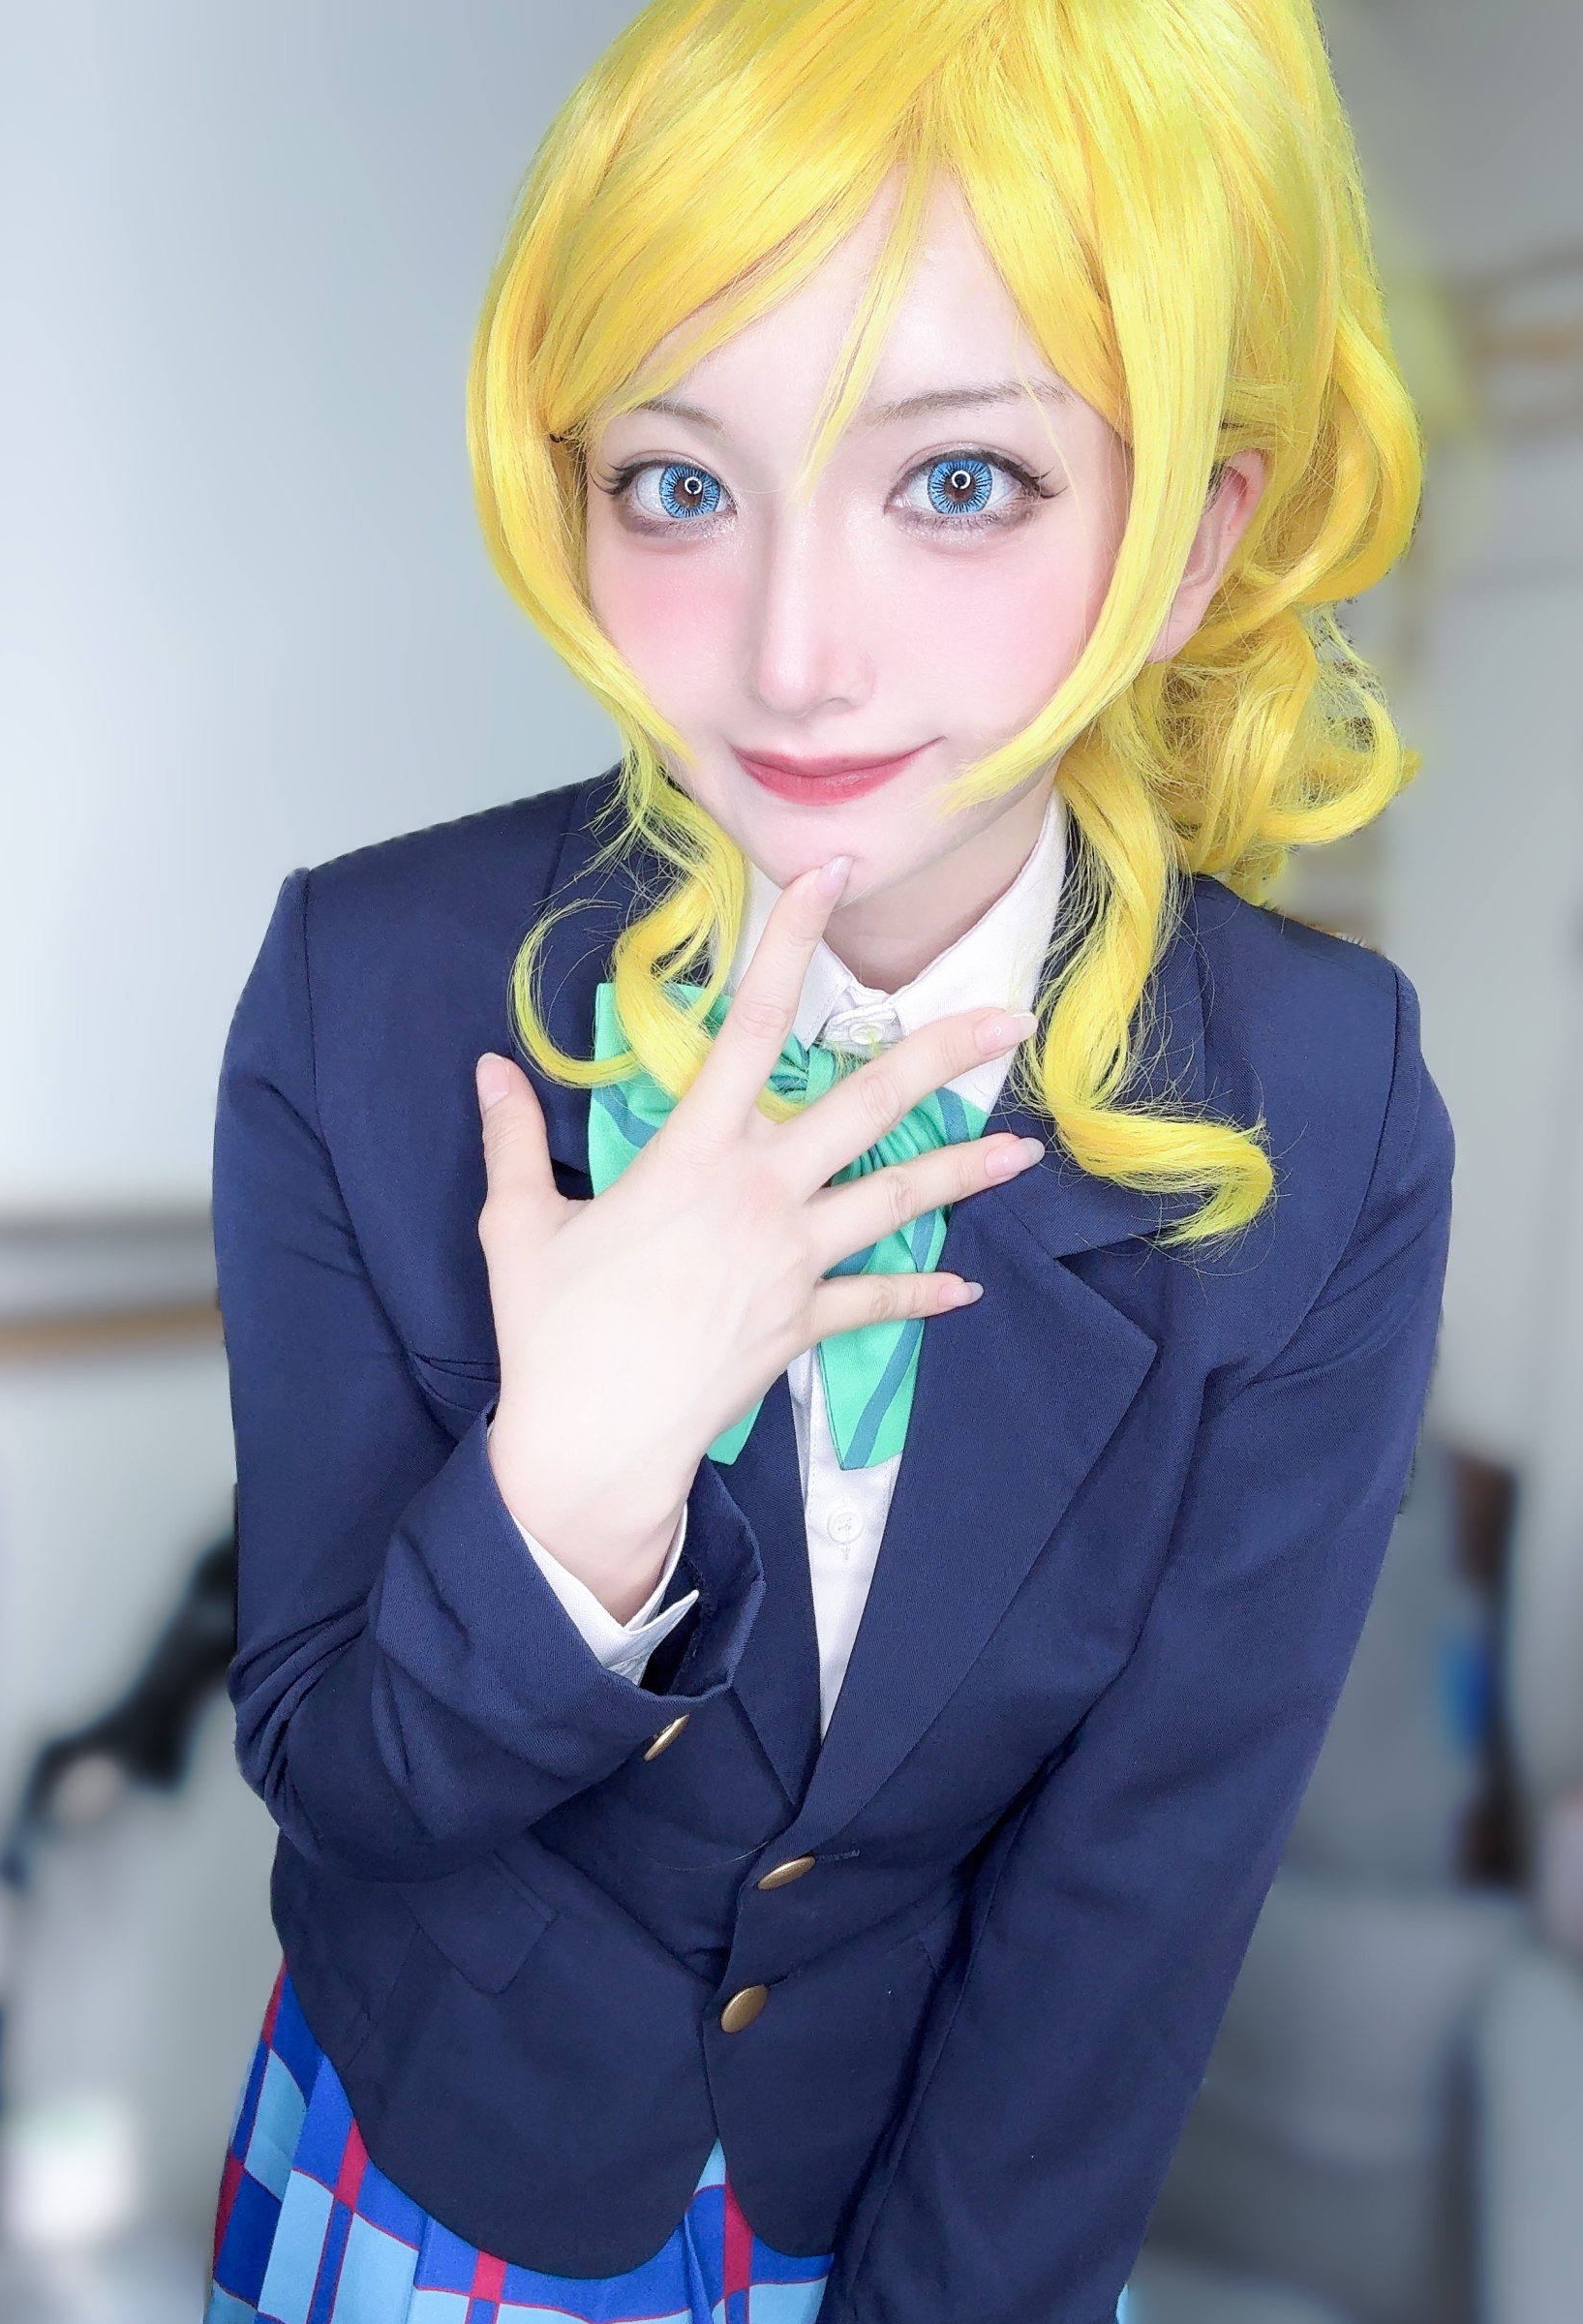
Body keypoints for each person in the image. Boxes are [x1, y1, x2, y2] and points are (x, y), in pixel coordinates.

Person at [205, 0, 1451, 2318]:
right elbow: (345, 1780)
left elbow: (1140, 1894)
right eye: (678, 486)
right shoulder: (361, 990)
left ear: (1187, 540)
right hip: (438, 2152)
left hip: (911, 2198)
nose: (791, 656)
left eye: (959, 482)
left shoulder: (1327, 1096)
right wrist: (571, 1493)